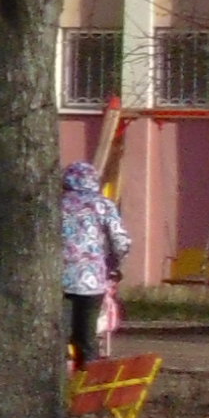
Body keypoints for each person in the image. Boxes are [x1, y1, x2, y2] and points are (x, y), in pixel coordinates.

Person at [56, 157, 131, 367]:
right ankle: (89, 386)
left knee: (57, 338)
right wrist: (113, 265)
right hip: (92, 281)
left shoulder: (55, 205)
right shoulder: (103, 205)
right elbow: (121, 242)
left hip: (58, 281)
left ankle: (57, 385)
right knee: (87, 338)